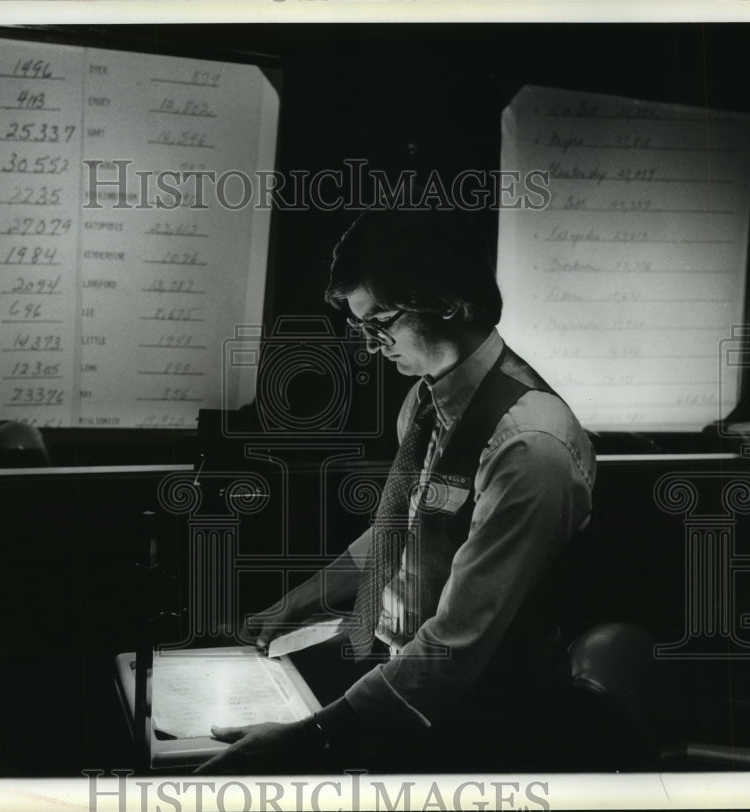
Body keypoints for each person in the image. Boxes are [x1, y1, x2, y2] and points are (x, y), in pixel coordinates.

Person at [196, 208, 596, 774]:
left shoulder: (530, 446)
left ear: (451, 301)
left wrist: (306, 738)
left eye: (380, 321)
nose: (369, 345)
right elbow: (400, 531)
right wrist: (298, 602)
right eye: (362, 327)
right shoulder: (425, 401)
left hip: (493, 729)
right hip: (406, 680)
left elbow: (456, 646)